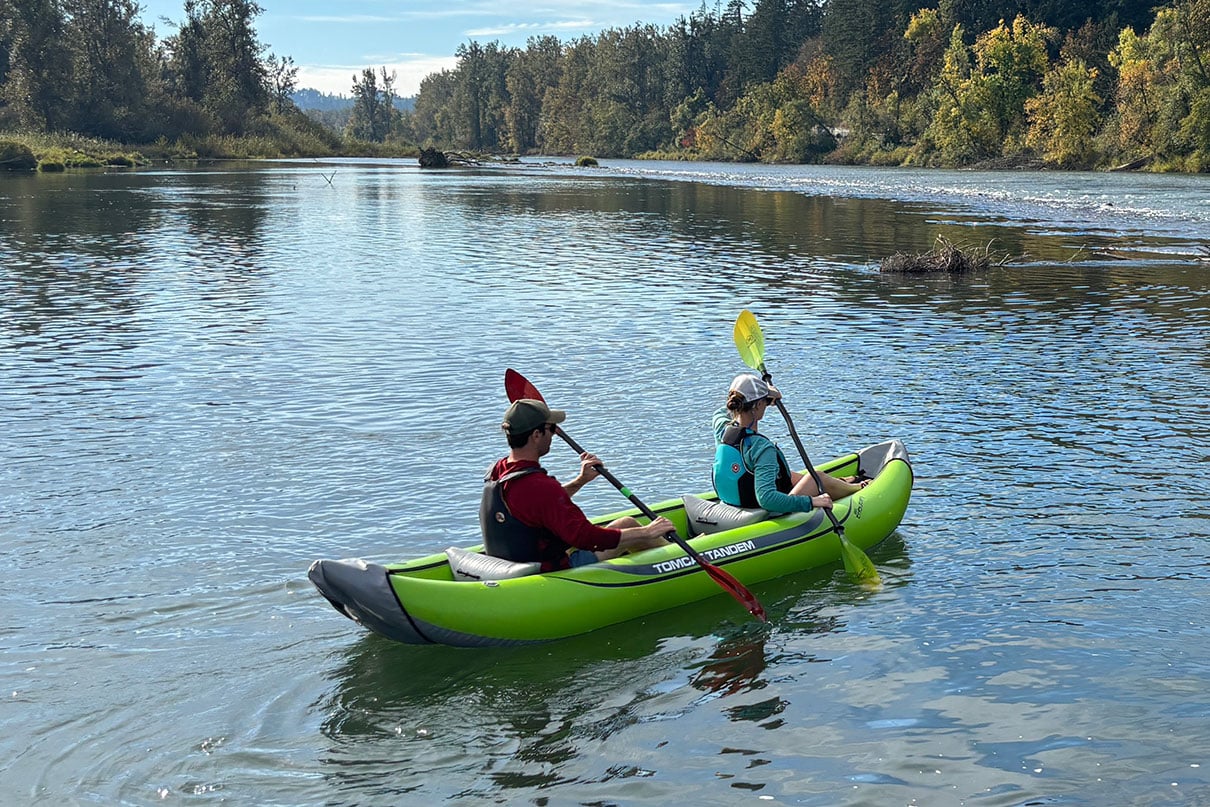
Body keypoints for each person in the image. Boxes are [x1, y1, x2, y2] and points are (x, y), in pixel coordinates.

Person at [481, 398, 673, 571]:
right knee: (633, 528)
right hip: (556, 568)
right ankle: (679, 558)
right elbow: (586, 537)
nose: (554, 434)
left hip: (516, 560)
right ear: (536, 435)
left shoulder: (498, 471)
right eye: (551, 429)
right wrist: (646, 531)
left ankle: (662, 550)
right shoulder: (540, 486)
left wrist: (580, 481)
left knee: (626, 525)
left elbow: (534, 507)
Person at [712, 373, 867, 514]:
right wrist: (812, 501)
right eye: (764, 402)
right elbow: (767, 499)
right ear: (758, 405)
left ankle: (841, 482)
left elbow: (720, 412)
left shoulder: (722, 429)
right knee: (815, 477)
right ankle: (858, 488)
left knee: (784, 473)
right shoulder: (762, 448)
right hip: (767, 509)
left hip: (737, 501)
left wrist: (764, 395)